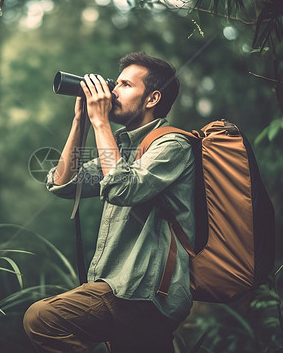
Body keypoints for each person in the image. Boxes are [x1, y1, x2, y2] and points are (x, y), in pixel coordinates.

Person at [23, 52, 196, 353]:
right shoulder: (123, 148)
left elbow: (122, 188)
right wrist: (81, 121)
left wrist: (101, 121)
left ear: (153, 98)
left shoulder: (173, 145)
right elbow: (64, 184)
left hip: (142, 294)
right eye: (114, 83)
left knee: (41, 318)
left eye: (126, 85)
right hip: (122, 292)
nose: (113, 91)